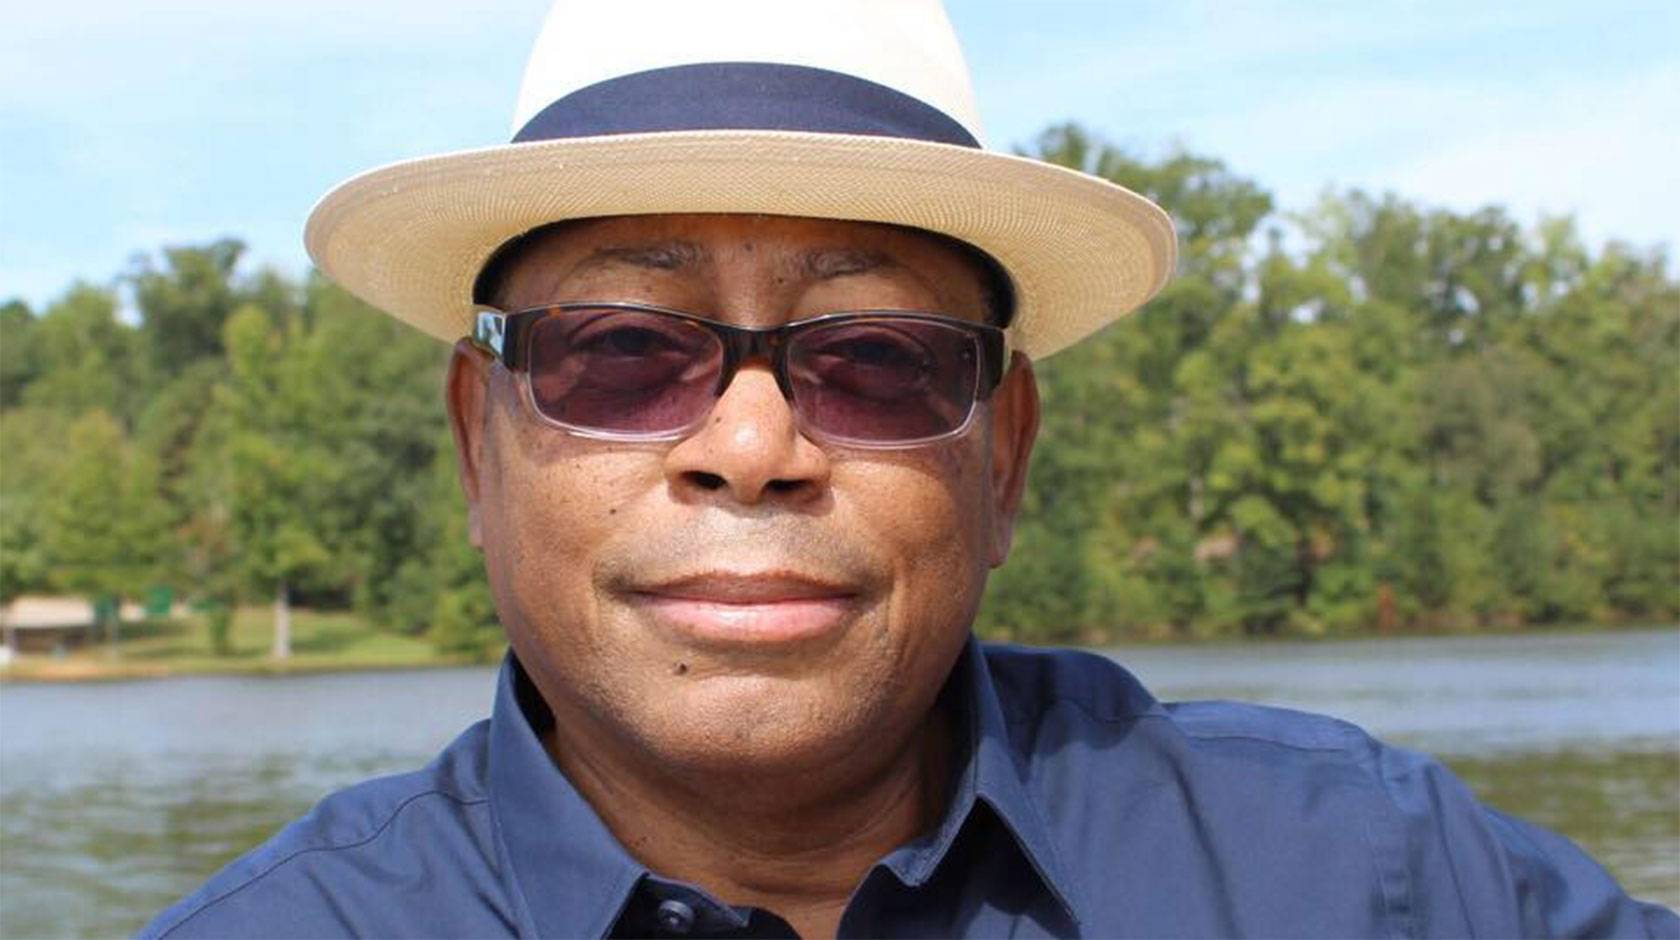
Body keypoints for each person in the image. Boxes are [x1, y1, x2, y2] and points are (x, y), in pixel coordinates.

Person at [143, 2, 1677, 938]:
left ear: (1002, 456)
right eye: (621, 352)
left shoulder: (1365, 880)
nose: (751, 452)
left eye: (875, 360)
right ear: (477, 443)